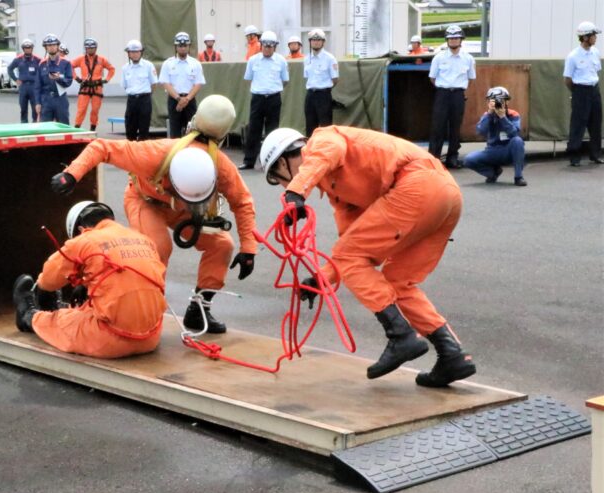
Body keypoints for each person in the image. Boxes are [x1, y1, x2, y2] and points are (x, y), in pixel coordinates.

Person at [260, 126, 476, 388]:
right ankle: (451, 353)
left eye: (278, 178)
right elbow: (351, 246)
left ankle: (400, 336)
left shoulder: (322, 140)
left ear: (283, 160)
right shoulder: (338, 191)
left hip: (417, 185)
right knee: (398, 282)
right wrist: (320, 279)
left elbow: (326, 154)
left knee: (352, 257)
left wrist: (295, 193)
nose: (282, 185)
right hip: (443, 195)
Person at [50, 96, 257, 334]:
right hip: (145, 200)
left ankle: (199, 310)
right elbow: (102, 147)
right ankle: (146, 310)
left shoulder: (220, 166)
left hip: (183, 211)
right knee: (156, 247)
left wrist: (248, 249)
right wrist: (71, 174)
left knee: (222, 244)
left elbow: (242, 202)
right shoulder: (155, 153)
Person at [12, 201, 168, 358]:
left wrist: (42, 291)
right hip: (150, 337)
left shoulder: (85, 240)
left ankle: (28, 317)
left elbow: (49, 279)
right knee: (95, 307)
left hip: (109, 340)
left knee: (63, 322)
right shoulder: (144, 240)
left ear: (80, 229)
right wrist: (86, 284)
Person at [238, 31, 289, 171]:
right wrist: (260, 89)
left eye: (270, 46)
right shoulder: (253, 60)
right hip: (258, 98)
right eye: (265, 46)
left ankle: (271, 162)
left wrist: (272, 89)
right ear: (261, 46)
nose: (267, 49)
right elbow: (248, 79)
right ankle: (249, 161)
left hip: (273, 98)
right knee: (254, 129)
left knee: (272, 130)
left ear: (275, 47)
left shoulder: (281, 61)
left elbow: (285, 81)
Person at [428, 25, 476, 170]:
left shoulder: (468, 58)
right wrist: (445, 87)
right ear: (447, 41)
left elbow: (471, 78)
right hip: (442, 93)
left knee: (455, 127)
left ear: (461, 40)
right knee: (438, 126)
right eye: (450, 38)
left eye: (456, 38)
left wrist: (458, 89)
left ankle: (452, 158)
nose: (453, 41)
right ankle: (433, 158)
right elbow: (433, 78)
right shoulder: (439, 57)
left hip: (458, 95)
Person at [464, 87, 527, 186]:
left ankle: (518, 177)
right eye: (494, 100)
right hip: (492, 151)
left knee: (517, 141)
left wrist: (503, 117)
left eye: (501, 100)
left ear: (506, 102)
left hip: (508, 151)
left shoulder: (513, 114)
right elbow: (480, 131)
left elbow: (514, 133)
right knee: (469, 159)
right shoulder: (487, 115)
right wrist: (489, 114)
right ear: (489, 102)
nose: (498, 103)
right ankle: (492, 172)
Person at [564, 21, 603, 166]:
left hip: (594, 90)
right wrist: (577, 92)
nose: (595, 38)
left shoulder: (595, 52)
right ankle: (574, 156)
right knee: (578, 124)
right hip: (580, 90)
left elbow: (595, 71)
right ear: (585, 37)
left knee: (596, 123)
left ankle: (595, 154)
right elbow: (567, 79)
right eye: (593, 35)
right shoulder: (573, 56)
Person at [158, 32, 205, 138]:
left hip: (190, 100)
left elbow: (198, 84)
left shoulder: (195, 64)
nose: (183, 48)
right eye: (180, 46)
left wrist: (186, 100)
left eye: (185, 46)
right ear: (175, 47)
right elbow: (166, 83)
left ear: (189, 47)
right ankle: (177, 154)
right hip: (174, 100)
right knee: (175, 132)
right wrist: (179, 99)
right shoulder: (168, 63)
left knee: (192, 132)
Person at [72, 37, 115, 131]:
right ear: (85, 49)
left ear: (95, 48)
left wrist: (107, 79)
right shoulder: (81, 59)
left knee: (95, 110)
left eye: (92, 48)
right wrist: (76, 78)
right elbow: (69, 66)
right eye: (88, 48)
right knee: (81, 109)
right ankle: (76, 128)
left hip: (97, 87)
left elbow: (112, 69)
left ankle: (93, 128)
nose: (90, 49)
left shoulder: (101, 59)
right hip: (85, 87)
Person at [303, 29, 339, 137]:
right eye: (313, 40)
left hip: (323, 95)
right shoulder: (307, 58)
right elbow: (307, 77)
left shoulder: (330, 58)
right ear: (310, 42)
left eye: (319, 40)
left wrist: (324, 89)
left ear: (323, 42)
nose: (316, 42)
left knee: (325, 126)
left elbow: (335, 79)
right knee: (310, 126)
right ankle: (311, 150)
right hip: (310, 95)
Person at [121, 39, 157, 141]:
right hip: (132, 100)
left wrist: (146, 95)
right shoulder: (125, 68)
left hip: (144, 100)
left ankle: (142, 154)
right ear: (128, 54)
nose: (135, 54)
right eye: (132, 52)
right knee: (130, 129)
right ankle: (130, 152)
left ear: (141, 52)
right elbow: (124, 85)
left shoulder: (148, 65)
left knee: (144, 129)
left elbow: (154, 84)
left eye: (137, 52)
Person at [34, 33, 73, 125]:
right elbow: (37, 86)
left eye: (54, 45)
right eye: (49, 45)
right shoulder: (42, 64)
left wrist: (58, 78)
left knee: (63, 126)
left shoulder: (66, 63)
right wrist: (38, 103)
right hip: (46, 100)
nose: (51, 47)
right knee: (45, 128)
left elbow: (69, 81)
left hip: (60, 99)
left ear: (58, 46)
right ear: (46, 48)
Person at [8, 39, 41, 123]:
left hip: (34, 86)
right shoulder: (18, 59)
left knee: (35, 108)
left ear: (32, 48)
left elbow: (44, 68)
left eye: (29, 48)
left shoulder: (37, 59)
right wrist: (15, 79)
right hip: (23, 86)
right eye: (26, 48)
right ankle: (24, 124)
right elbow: (10, 69)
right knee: (23, 108)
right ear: (23, 49)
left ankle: (35, 124)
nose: (27, 49)